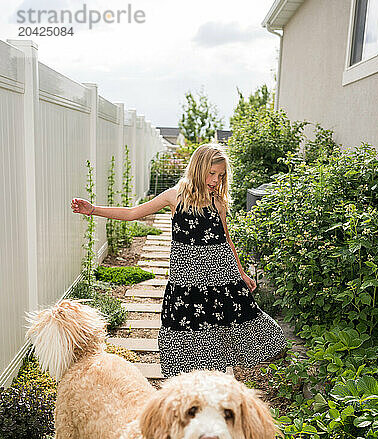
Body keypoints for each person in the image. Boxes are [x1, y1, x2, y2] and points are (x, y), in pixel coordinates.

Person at [71, 142, 287, 377]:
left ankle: (211, 381)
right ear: (198, 168)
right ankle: (189, 383)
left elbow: (226, 240)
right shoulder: (175, 197)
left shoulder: (218, 202)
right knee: (187, 326)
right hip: (186, 278)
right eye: (211, 173)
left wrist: (242, 273)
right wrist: (94, 210)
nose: (215, 180)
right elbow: (132, 214)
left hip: (219, 276)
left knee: (220, 326)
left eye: (221, 175)